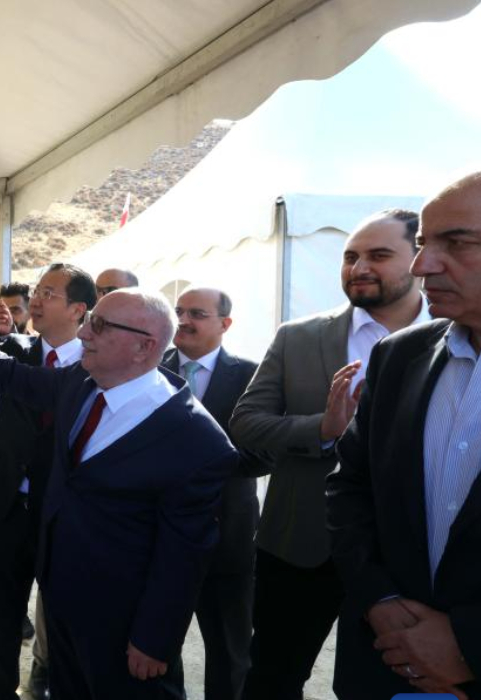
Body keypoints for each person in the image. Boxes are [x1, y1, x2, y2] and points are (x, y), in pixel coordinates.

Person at [0, 288, 238, 699]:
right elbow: (15, 376)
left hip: (124, 629)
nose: (85, 335)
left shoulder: (196, 439)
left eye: (100, 325)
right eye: (89, 320)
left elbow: (183, 553)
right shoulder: (81, 382)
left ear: (144, 346)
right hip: (62, 606)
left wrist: (154, 638)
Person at [229, 209, 430, 700]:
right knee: (273, 676)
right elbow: (245, 422)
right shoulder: (298, 336)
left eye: (379, 256)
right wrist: (321, 429)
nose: (359, 267)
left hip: (410, 555)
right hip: (300, 545)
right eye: (350, 256)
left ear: (418, 259)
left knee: (387, 685)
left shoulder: (458, 337)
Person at [327, 171, 481, 700]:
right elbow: (350, 490)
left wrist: (468, 644)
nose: (421, 266)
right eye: (421, 246)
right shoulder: (398, 356)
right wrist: (380, 601)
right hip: (382, 664)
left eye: (456, 243)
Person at [0, 263, 94, 700]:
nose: (37, 300)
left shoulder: (96, 364)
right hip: (10, 507)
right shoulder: (13, 348)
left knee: (62, 619)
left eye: (49, 293)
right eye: (38, 291)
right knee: (4, 618)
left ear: (79, 309)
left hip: (63, 514)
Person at [162, 288, 261, 700]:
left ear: (225, 323)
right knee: (156, 645)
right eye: (179, 311)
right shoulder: (148, 367)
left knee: (229, 651)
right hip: (158, 536)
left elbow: (263, 454)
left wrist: (199, 461)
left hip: (228, 538)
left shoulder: (253, 375)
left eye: (197, 313)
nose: (184, 320)